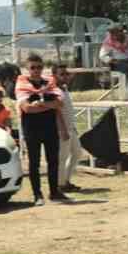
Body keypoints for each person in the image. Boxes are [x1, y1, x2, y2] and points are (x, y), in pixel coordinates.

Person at [14, 54, 69, 205]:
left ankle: (54, 192)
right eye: (33, 67)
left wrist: (40, 104)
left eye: (39, 67)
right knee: (34, 163)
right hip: (32, 128)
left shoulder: (49, 83)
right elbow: (26, 108)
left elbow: (60, 103)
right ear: (27, 69)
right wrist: (48, 104)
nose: (36, 70)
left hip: (50, 127)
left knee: (53, 161)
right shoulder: (22, 83)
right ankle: (37, 194)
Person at [50, 62, 81, 192]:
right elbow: (56, 112)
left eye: (66, 74)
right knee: (62, 157)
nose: (65, 76)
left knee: (77, 153)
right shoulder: (54, 90)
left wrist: (73, 127)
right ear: (54, 76)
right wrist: (62, 130)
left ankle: (65, 181)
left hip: (71, 127)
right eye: (62, 74)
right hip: (62, 129)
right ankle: (60, 184)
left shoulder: (64, 88)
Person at [98, 23, 128, 97]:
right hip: (117, 62)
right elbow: (102, 55)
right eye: (111, 32)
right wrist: (112, 60)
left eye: (115, 32)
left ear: (121, 31)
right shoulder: (108, 41)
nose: (114, 34)